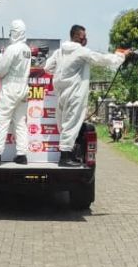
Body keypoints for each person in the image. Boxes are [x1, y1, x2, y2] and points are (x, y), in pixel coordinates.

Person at [44, 25, 128, 166]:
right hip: (75, 94)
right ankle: (65, 158)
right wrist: (120, 56)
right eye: (83, 36)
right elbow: (102, 59)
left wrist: (62, 72)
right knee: (71, 123)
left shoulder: (60, 52)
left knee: (65, 125)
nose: (85, 39)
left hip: (61, 93)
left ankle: (69, 154)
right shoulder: (81, 52)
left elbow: (47, 67)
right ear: (76, 36)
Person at [0, 20, 32, 165]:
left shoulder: (12, 49)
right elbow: (13, 63)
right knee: (20, 122)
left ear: (15, 32)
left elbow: (1, 71)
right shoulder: (26, 50)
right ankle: (22, 155)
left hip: (10, 89)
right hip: (23, 89)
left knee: (3, 120)